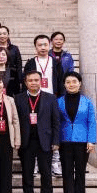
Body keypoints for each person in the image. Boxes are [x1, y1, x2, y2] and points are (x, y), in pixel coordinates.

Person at [15, 70, 60, 193]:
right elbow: (15, 121)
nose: (33, 83)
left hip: (45, 140)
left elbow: (56, 121)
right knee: (27, 172)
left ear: (41, 81)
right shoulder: (18, 98)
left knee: (46, 172)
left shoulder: (50, 98)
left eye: (36, 80)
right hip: (26, 141)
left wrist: (56, 141)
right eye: (30, 80)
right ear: (25, 82)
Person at [24, 34, 65, 177]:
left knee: (54, 130)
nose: (42, 47)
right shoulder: (30, 63)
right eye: (39, 45)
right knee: (34, 133)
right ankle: (35, 164)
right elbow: (26, 81)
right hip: (34, 100)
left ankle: (55, 163)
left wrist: (60, 99)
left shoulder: (56, 63)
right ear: (35, 47)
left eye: (45, 45)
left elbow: (61, 82)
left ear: (50, 45)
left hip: (52, 100)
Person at [58, 72, 97, 193]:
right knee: (67, 171)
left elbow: (92, 122)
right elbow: (56, 122)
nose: (71, 84)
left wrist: (91, 140)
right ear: (64, 84)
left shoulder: (87, 102)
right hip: (65, 140)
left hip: (82, 141)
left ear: (79, 83)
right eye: (68, 82)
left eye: (74, 81)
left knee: (80, 171)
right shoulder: (59, 101)